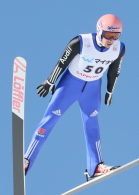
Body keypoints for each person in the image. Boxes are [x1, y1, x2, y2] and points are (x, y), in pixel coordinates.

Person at [24, 14, 126, 179]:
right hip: (70, 85)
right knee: (49, 120)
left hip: (92, 89)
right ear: (99, 30)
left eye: (116, 36)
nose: (111, 40)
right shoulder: (81, 42)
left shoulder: (119, 48)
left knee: (92, 123)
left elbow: (115, 71)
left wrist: (110, 91)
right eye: (108, 35)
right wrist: (50, 81)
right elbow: (61, 62)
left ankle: (96, 167)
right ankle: (27, 159)